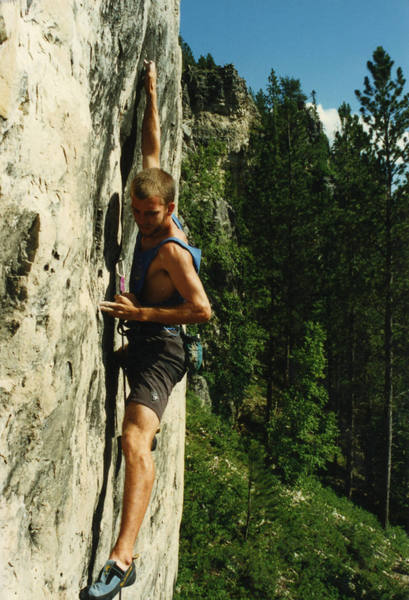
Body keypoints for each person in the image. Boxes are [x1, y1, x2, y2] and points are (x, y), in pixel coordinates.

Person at [88, 61, 211, 599]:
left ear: (170, 209)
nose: (140, 221)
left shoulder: (172, 250)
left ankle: (122, 557)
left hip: (163, 348)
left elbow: (202, 310)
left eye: (150, 214)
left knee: (136, 439)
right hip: (140, 333)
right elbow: (152, 151)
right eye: (136, 213)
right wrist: (153, 92)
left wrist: (141, 316)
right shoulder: (153, 193)